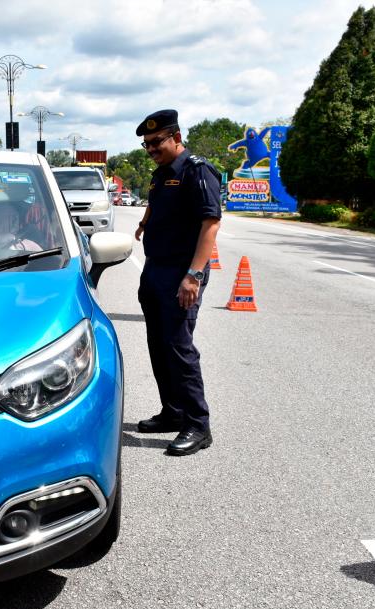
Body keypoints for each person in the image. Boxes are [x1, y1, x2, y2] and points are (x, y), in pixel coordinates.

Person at [133, 109, 221, 456]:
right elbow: (157, 205)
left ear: (176, 138)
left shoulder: (196, 171)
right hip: (155, 268)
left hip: (182, 273)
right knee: (158, 343)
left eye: (157, 142)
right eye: (146, 145)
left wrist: (194, 276)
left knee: (179, 347)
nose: (152, 148)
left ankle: (198, 425)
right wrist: (144, 223)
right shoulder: (160, 175)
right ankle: (173, 411)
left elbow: (210, 224)